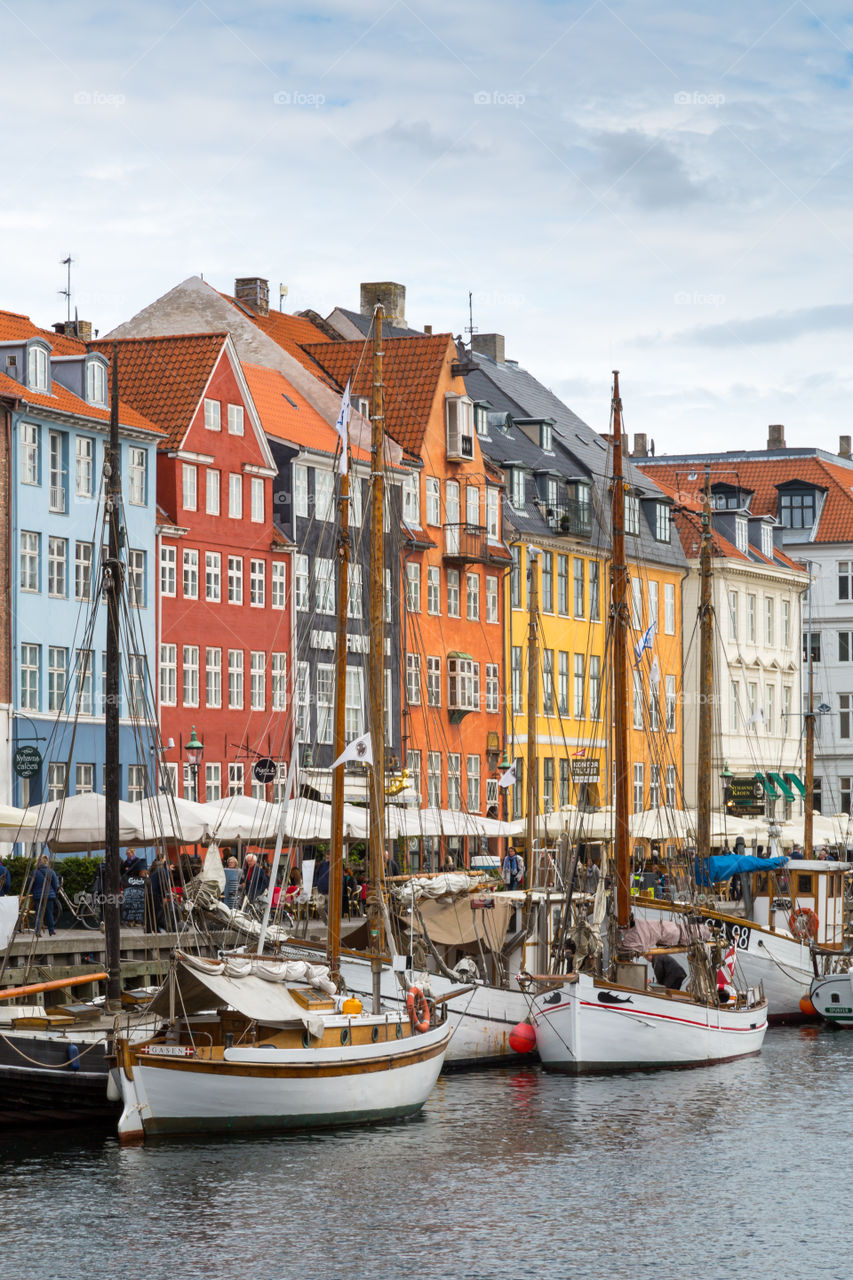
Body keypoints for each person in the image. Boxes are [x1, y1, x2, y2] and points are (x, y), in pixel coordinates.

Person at [29, 854, 59, 936]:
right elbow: (55, 885)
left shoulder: (34, 873)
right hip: (49, 896)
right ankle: (51, 930)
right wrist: (53, 893)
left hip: (38, 897)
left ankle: (37, 931)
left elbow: (30, 885)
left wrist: (33, 892)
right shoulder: (51, 871)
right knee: (49, 913)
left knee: (39, 914)